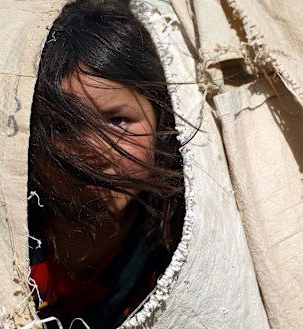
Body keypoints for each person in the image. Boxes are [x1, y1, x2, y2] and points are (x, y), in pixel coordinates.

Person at [27, 0, 185, 327]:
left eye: (118, 121)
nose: (96, 153)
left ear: (161, 122)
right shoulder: (14, 238)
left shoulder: (173, 237)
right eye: (63, 127)